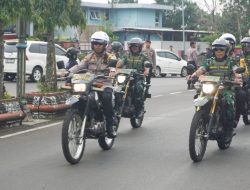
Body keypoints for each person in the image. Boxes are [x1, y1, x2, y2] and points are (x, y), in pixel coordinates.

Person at [62, 31, 117, 138]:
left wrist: (112, 70)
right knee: (77, 97)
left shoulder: (110, 57)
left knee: (107, 97)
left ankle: (110, 126)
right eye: (95, 44)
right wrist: (68, 72)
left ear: (105, 45)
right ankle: (78, 116)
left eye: (100, 44)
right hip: (89, 82)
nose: (97, 46)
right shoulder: (89, 57)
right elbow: (80, 66)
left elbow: (114, 64)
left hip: (104, 83)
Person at [190, 38, 241, 138]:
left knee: (228, 104)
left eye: (221, 50)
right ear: (214, 51)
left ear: (226, 50)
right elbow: (201, 69)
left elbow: (236, 71)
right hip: (211, 87)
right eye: (216, 50)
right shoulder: (209, 61)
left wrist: (238, 78)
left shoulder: (230, 62)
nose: (219, 52)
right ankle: (202, 120)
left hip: (225, 88)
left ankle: (228, 129)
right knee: (198, 97)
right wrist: (193, 75)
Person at [116, 37, 151, 117]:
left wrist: (146, 70)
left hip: (138, 78)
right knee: (116, 88)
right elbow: (120, 63)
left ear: (140, 47)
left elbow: (146, 64)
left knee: (138, 88)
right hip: (126, 77)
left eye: (136, 46)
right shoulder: (126, 55)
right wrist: (117, 65)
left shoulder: (143, 56)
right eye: (133, 46)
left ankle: (139, 109)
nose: (134, 48)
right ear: (130, 47)